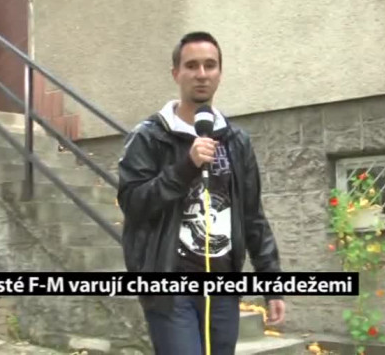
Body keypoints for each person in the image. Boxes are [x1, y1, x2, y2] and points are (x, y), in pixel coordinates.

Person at [116, 31, 285, 354]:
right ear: (176, 73)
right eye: (192, 65)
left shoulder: (235, 141)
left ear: (220, 72)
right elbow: (134, 204)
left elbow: (252, 217)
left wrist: (271, 284)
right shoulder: (149, 137)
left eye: (210, 65)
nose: (202, 74)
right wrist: (186, 167)